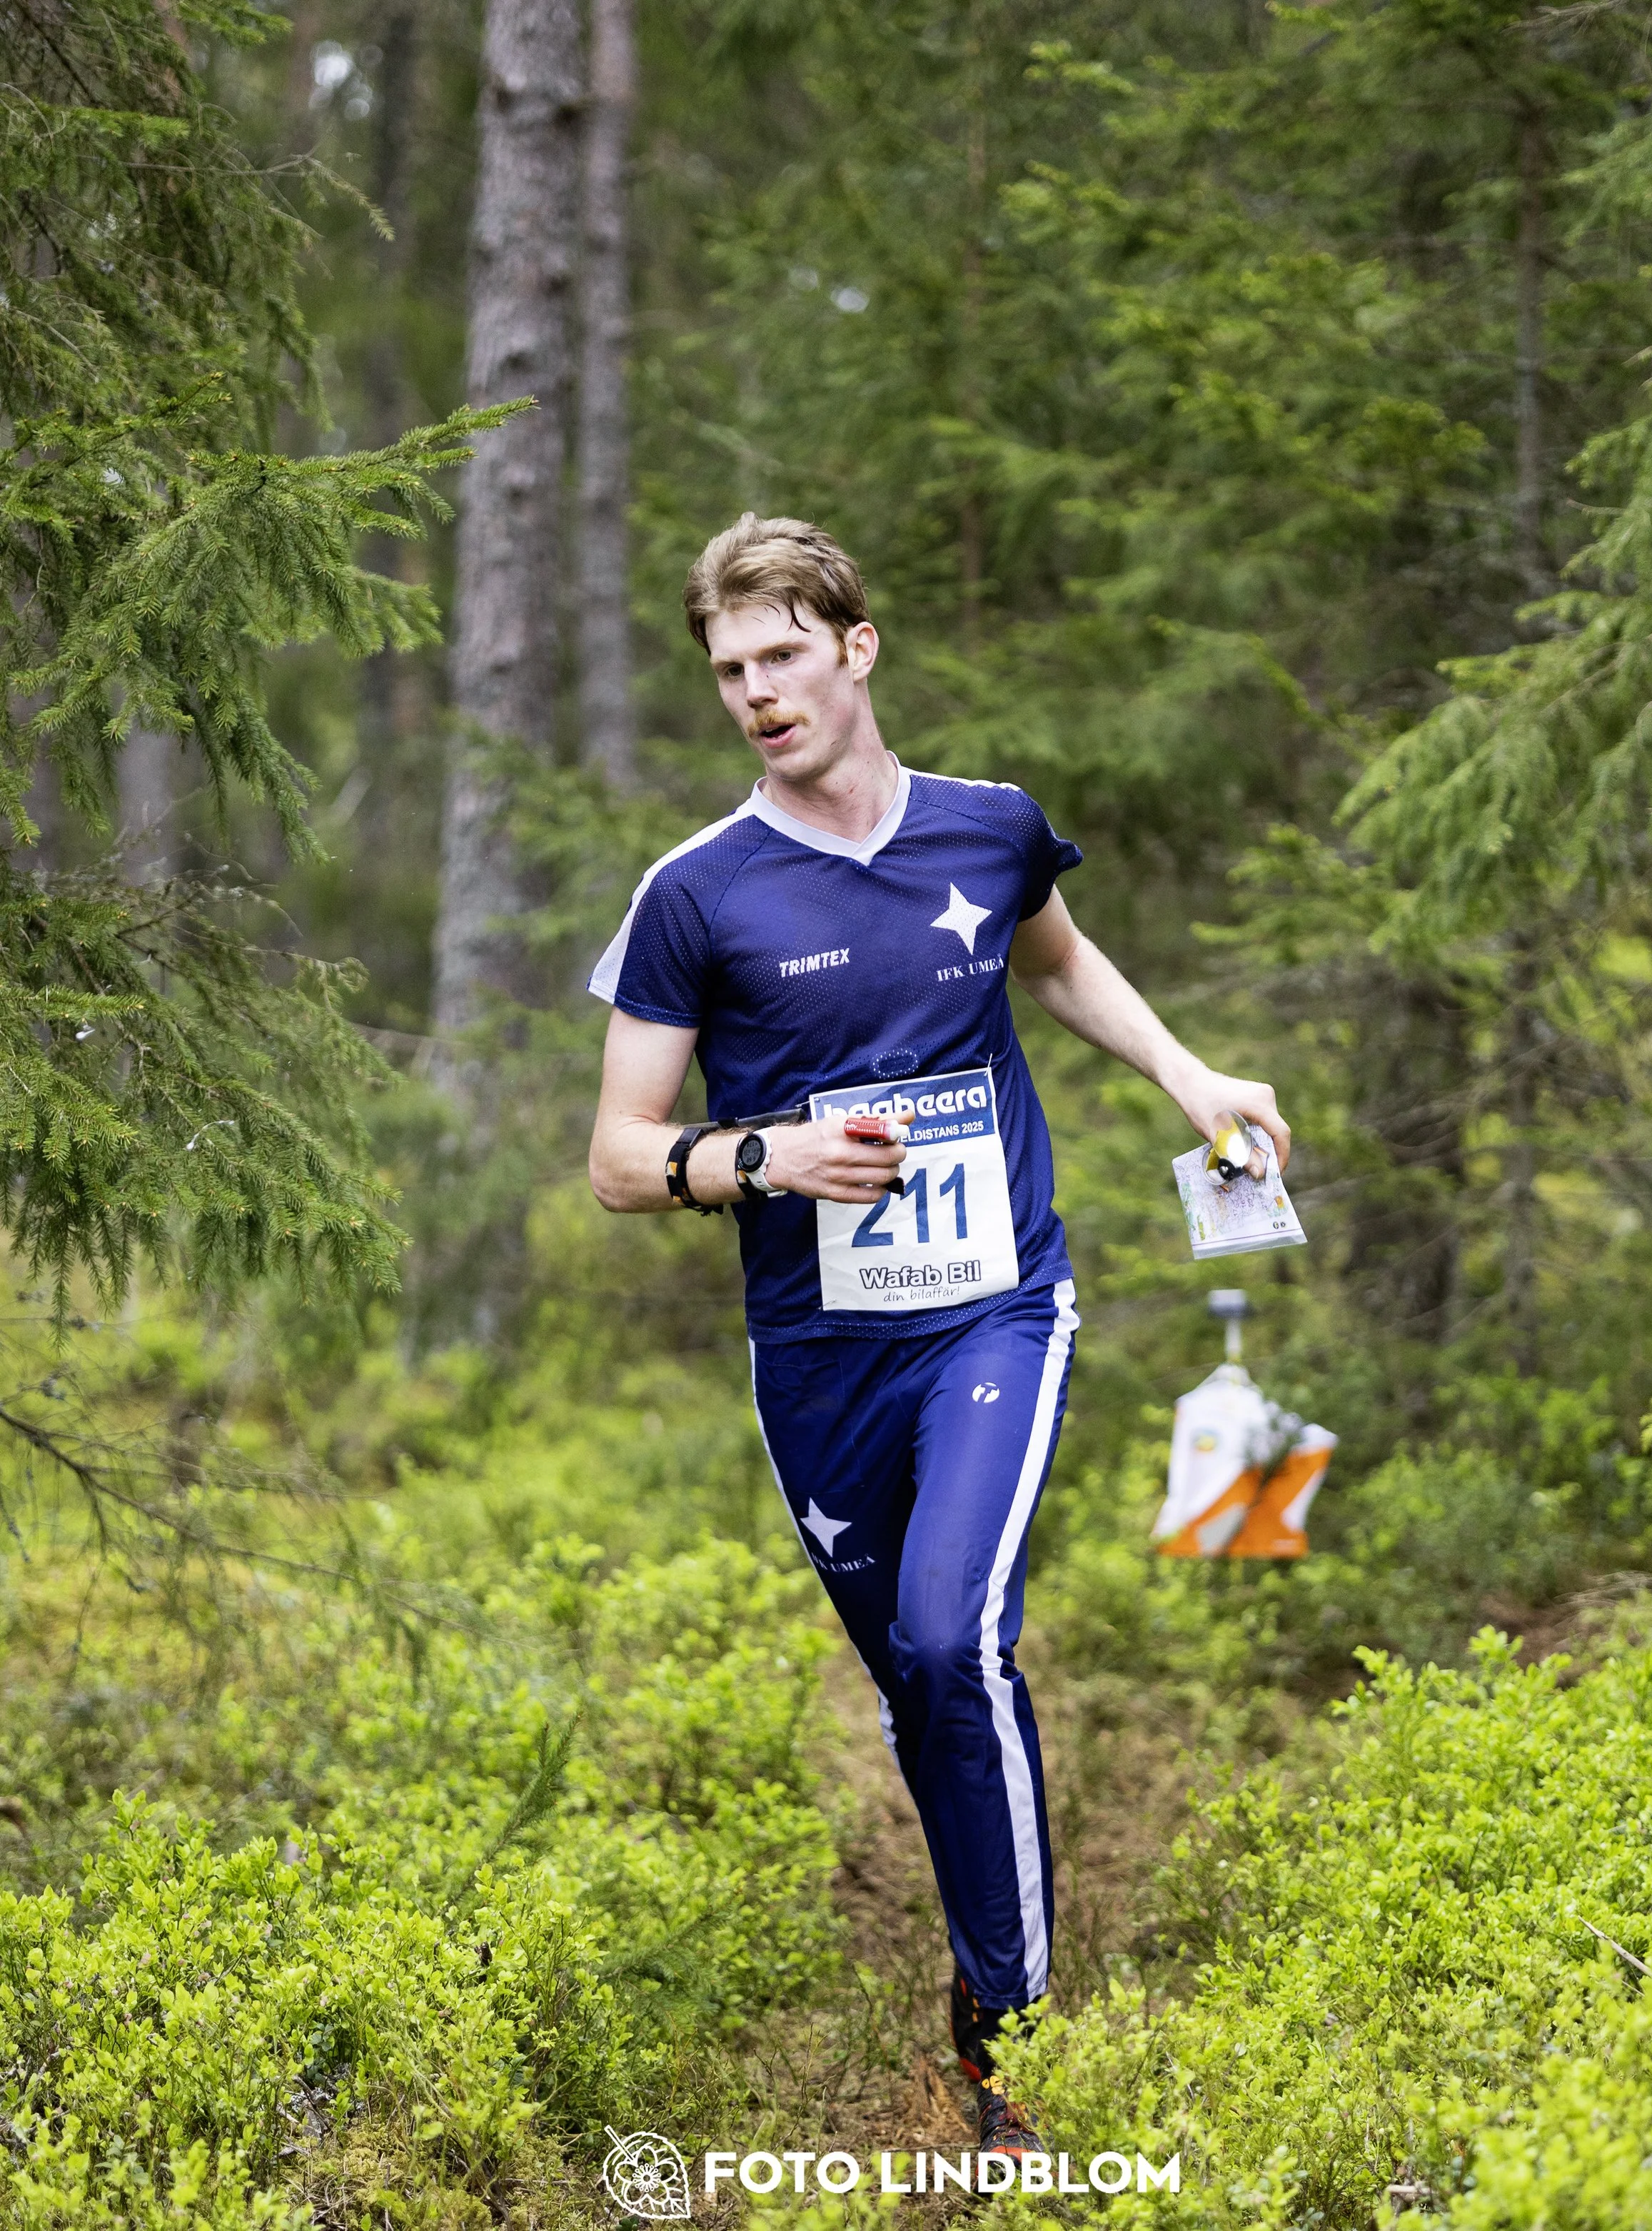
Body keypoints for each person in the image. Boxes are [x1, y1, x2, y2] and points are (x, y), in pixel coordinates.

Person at [585, 514, 1289, 2155]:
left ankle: (1010, 2036)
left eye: (781, 654)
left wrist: (1188, 1074)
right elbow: (619, 1157)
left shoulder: (987, 826)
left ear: (856, 646)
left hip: (995, 1304)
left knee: (948, 1636)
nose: (757, 692)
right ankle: (993, 1940)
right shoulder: (696, 893)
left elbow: (1058, 964)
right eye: (729, 670)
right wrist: (765, 1157)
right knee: (918, 1683)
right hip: (816, 1350)